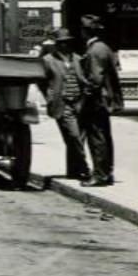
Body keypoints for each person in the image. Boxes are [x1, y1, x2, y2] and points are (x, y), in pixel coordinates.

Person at [40, 28, 91, 182]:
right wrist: (49, 96)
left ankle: (73, 171)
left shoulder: (78, 59)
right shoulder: (48, 60)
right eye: (61, 43)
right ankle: (85, 169)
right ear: (56, 44)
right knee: (74, 136)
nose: (64, 46)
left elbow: (83, 79)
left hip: (79, 103)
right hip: (62, 104)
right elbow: (41, 81)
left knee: (74, 139)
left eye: (67, 43)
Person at [80, 14, 121, 187]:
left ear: (85, 31)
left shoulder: (94, 50)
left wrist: (84, 98)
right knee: (104, 136)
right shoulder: (104, 47)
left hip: (96, 100)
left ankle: (100, 175)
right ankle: (107, 171)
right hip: (106, 99)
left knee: (96, 137)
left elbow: (95, 79)